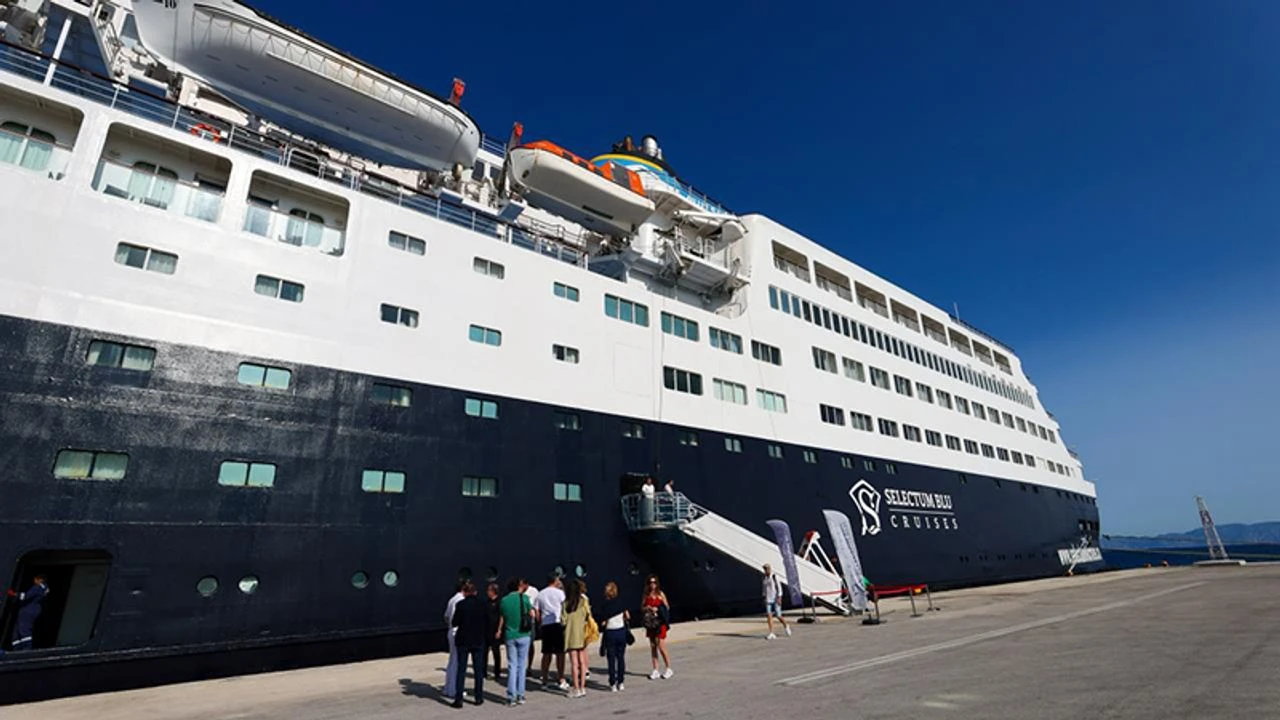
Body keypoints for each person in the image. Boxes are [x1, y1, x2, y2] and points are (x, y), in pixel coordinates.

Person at [450, 581, 490, 707]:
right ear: (475, 592)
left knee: (461, 669)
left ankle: (459, 699)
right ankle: (478, 697)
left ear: (465, 592)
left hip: (463, 640)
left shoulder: (461, 605)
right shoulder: (482, 604)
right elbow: (487, 621)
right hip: (478, 639)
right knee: (478, 670)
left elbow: (455, 622)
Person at [497, 577, 535, 706]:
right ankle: (521, 695)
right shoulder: (525, 598)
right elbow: (531, 614)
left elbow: (502, 616)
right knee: (521, 665)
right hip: (524, 634)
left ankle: (511, 696)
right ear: (518, 586)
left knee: (512, 665)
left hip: (510, 635)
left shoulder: (504, 600)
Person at [594, 581, 630, 692]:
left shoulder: (605, 606)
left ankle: (612, 683)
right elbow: (628, 616)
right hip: (621, 631)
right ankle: (621, 682)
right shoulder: (622, 602)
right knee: (621, 658)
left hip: (610, 633)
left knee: (611, 659)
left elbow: (603, 623)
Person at [534, 575, 568, 691]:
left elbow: (537, 610)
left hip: (546, 625)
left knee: (546, 653)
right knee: (560, 653)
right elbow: (564, 607)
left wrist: (539, 623)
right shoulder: (560, 593)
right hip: (557, 624)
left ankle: (544, 680)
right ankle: (561, 678)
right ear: (555, 581)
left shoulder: (541, 594)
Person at [561, 579, 592, 698]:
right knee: (582, 662)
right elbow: (588, 615)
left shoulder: (565, 604)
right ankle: (583, 687)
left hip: (570, 635)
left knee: (574, 663)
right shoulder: (583, 602)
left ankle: (576, 688)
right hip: (582, 634)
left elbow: (563, 621)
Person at [641, 575, 673, 679]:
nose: (652, 584)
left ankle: (668, 668)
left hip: (660, 623)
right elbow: (642, 608)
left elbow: (667, 607)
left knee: (661, 646)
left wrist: (658, 608)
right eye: (650, 582)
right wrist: (647, 608)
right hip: (651, 623)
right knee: (653, 646)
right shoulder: (646, 595)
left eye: (654, 582)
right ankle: (655, 669)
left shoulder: (660, 594)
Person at [6, 576, 48, 651]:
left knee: (24, 629)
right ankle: (17, 650)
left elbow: (25, 596)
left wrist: (14, 594)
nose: (34, 581)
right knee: (16, 631)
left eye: (35, 579)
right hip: (30, 610)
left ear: (40, 579)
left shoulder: (38, 587)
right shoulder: (44, 589)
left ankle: (26, 650)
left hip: (29, 610)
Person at [443, 580, 466, 700]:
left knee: (452, 660)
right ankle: (454, 690)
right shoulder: (461, 600)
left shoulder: (452, 599)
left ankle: (448, 687)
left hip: (450, 630)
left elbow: (446, 617)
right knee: (457, 661)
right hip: (458, 632)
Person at [761, 564, 792, 640]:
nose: (766, 571)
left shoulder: (774, 577)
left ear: (769, 569)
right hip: (768, 599)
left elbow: (779, 588)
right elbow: (764, 589)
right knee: (769, 615)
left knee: (778, 616)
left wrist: (779, 597)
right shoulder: (765, 579)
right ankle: (771, 633)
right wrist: (764, 597)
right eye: (765, 569)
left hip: (775, 598)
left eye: (767, 569)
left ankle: (786, 625)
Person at [485, 583, 504, 682]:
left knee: (496, 651)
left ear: (493, 591)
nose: (487, 592)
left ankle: (497, 672)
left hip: (495, 629)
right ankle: (483, 671)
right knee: (484, 652)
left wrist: (499, 630)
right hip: (486, 630)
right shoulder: (487, 602)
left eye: (489, 590)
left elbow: (501, 616)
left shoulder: (499, 602)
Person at [523, 581, 540, 674]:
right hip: (520, 621)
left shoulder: (533, 591)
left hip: (530, 621)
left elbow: (537, 606)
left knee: (530, 643)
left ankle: (529, 666)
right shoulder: (518, 591)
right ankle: (522, 666)